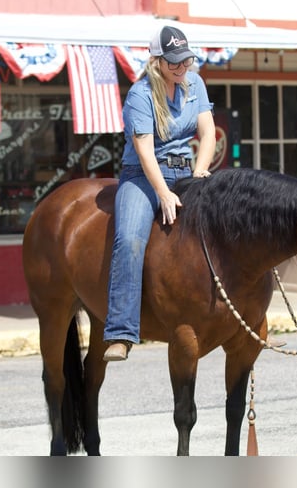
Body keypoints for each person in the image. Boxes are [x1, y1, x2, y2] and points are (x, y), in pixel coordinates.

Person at [103, 25, 216, 362]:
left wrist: (200, 171)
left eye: (186, 61)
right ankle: (121, 332)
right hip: (144, 175)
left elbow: (207, 132)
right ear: (156, 61)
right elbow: (144, 150)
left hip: (187, 171)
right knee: (130, 239)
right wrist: (163, 193)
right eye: (174, 63)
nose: (182, 68)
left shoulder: (194, 83)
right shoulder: (139, 94)